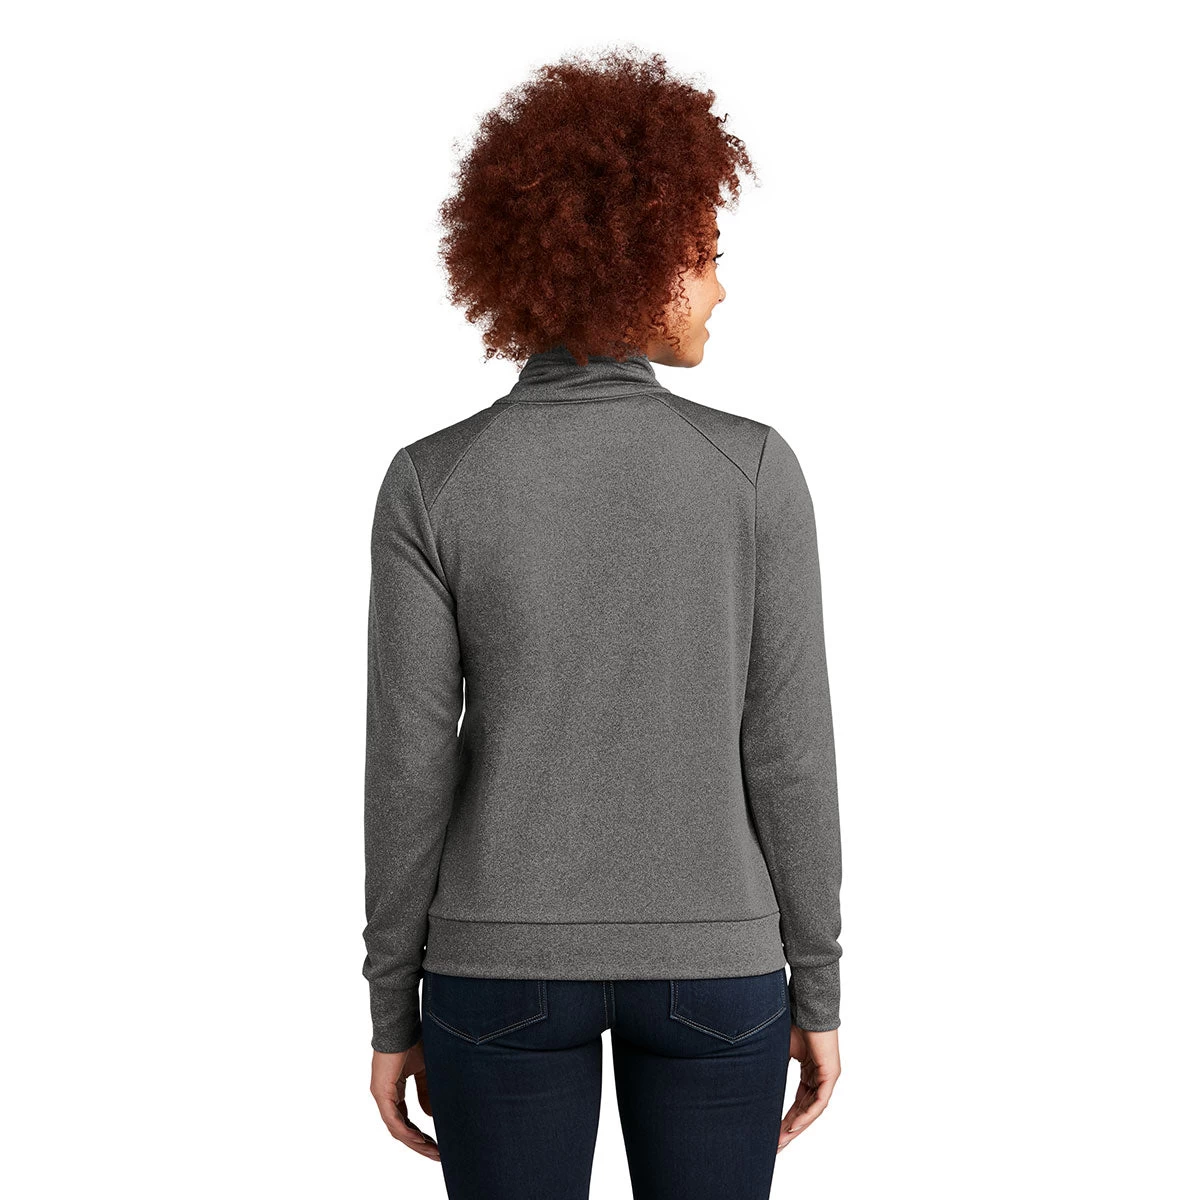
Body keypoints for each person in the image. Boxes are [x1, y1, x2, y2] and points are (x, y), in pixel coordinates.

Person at [362, 47, 843, 1200]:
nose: (721, 291)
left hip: (496, 970)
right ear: (636, 264)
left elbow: (408, 768)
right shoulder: (752, 472)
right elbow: (789, 754)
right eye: (705, 257)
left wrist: (391, 1009)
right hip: (717, 968)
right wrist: (819, 989)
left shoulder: (435, 482)